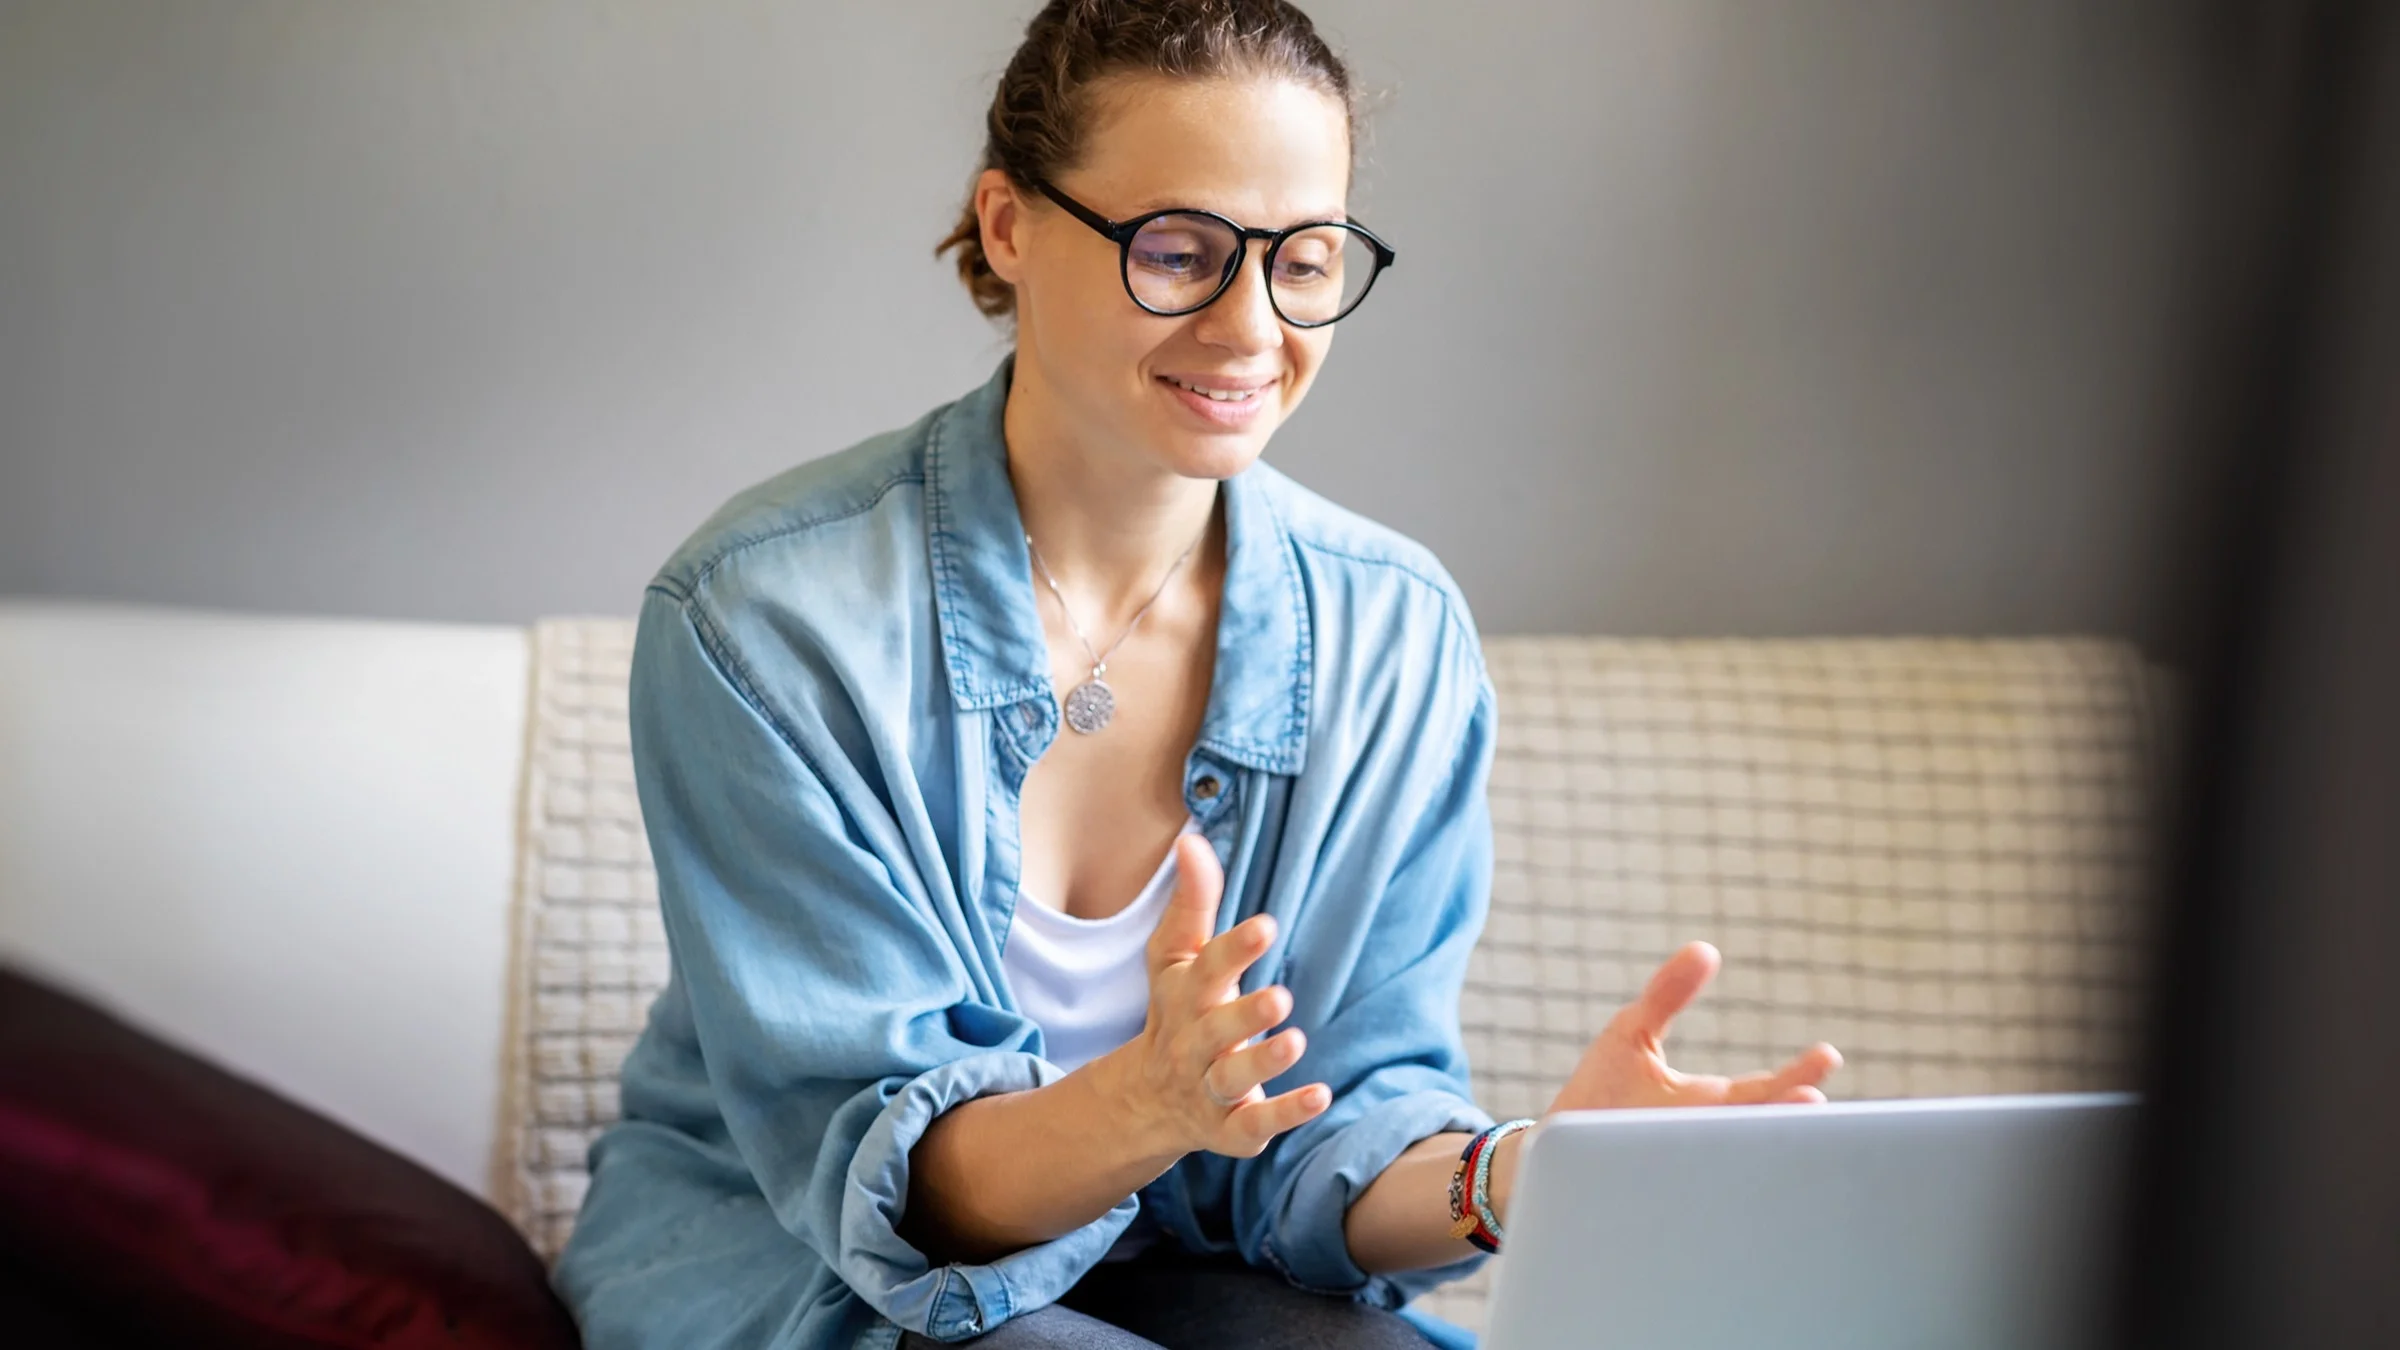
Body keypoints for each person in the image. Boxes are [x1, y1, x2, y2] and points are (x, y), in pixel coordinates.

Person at [552, 3, 1843, 1347]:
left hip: (1177, 1261)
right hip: (798, 1261)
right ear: (1008, 224)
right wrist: (1150, 1101)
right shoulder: (767, 621)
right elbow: (894, 1194)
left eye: (1305, 258)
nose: (1250, 326)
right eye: (1177, 250)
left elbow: (1327, 1137)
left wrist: (1526, 1174)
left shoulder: (1392, 638)